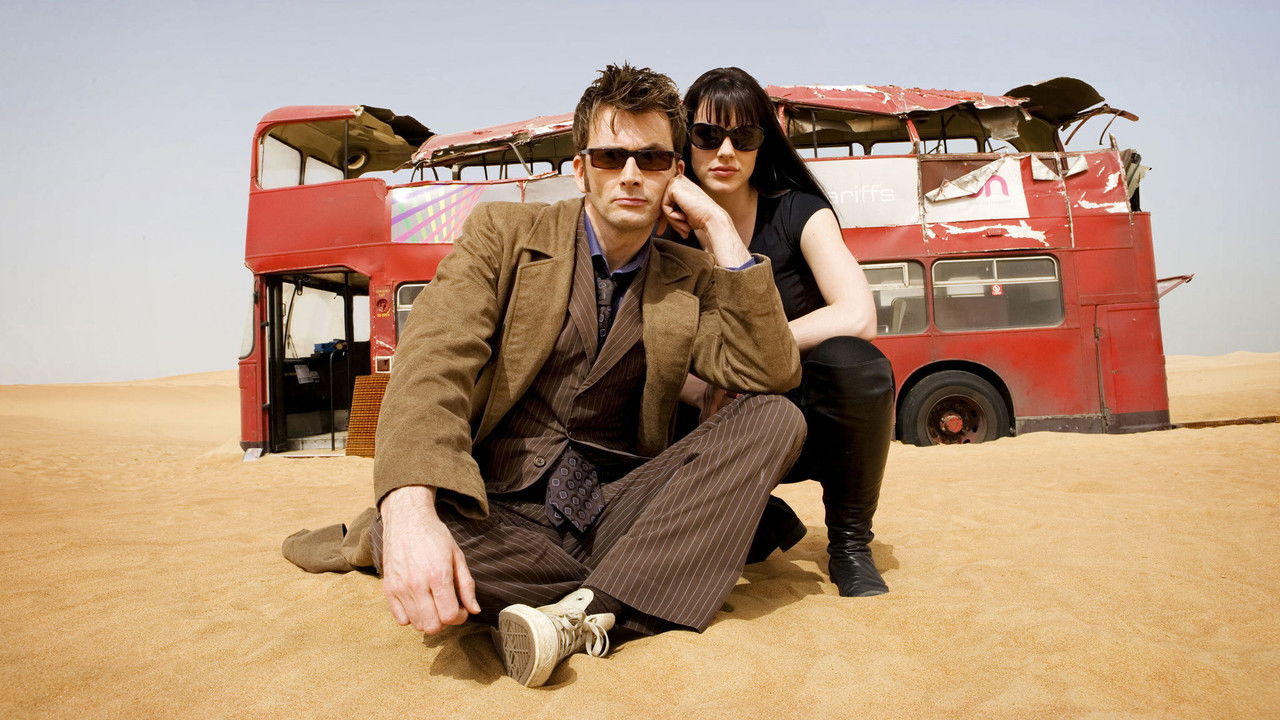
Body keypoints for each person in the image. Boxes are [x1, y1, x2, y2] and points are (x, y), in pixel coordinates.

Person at [282, 63, 806, 688]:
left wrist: (718, 225)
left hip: (616, 507)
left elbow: (769, 369)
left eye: (651, 158)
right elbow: (433, 362)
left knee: (777, 418)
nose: (631, 175)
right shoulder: (503, 234)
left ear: (674, 172)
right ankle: (642, 581)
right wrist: (411, 510)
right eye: (610, 157)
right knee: (434, 541)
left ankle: (586, 607)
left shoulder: (687, 273)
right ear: (581, 169)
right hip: (495, 510)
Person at [676, 67, 896, 598]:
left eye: (744, 136)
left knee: (857, 363)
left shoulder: (800, 213)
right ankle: (763, 517)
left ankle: (850, 545)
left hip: (805, 418)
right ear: (686, 142)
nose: (726, 151)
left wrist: (750, 358)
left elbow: (858, 314)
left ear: (763, 143)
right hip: (711, 422)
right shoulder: (664, 230)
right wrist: (704, 387)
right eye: (707, 135)